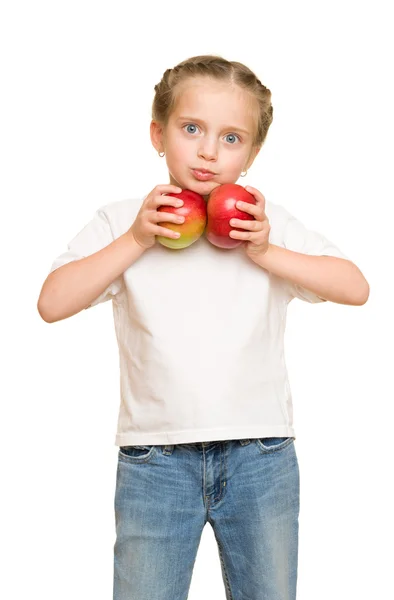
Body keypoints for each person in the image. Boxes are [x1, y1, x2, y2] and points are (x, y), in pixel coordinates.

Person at [37, 54, 369, 600]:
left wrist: (265, 251)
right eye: (191, 129)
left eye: (232, 138)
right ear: (158, 134)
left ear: (253, 153)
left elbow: (354, 287)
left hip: (260, 456)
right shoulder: (125, 221)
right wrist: (136, 241)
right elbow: (52, 303)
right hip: (155, 461)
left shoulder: (265, 224)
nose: (209, 151)